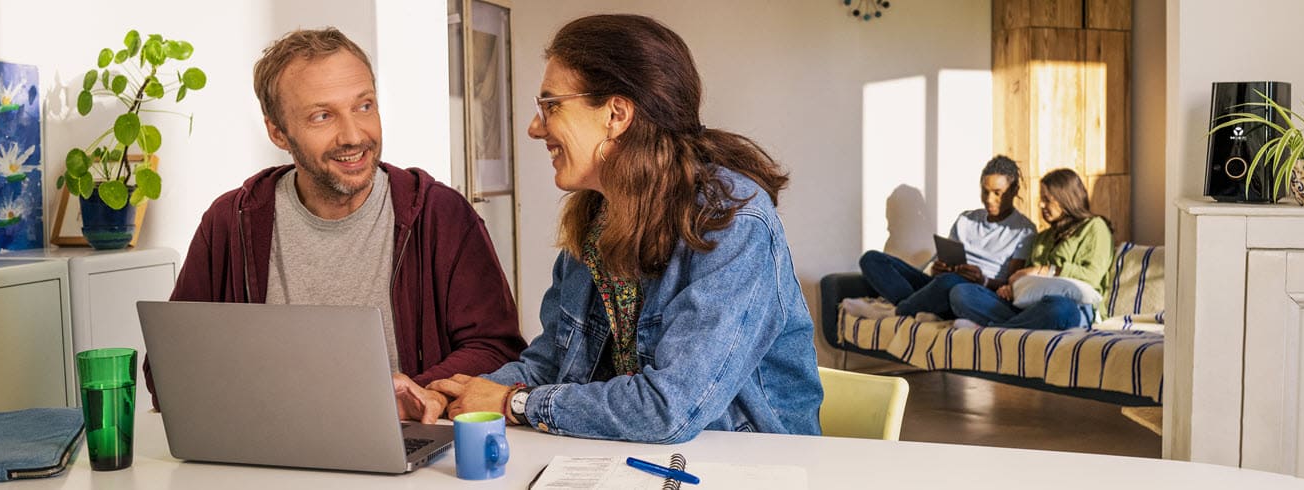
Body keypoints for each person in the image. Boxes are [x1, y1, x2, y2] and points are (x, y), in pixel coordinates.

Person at [429, 14, 822, 443]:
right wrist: (451, 395)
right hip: (633, 459)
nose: (534, 127)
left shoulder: (732, 224)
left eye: (551, 105)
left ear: (616, 114)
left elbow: (667, 409)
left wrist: (514, 403)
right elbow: (548, 363)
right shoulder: (597, 220)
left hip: (753, 461)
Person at [144, 28, 526, 421]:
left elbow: (496, 348)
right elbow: (170, 368)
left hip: (408, 442)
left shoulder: (440, 213)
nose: (353, 135)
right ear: (277, 131)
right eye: (322, 116)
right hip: (270, 448)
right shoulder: (230, 222)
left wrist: (412, 394)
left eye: (364, 106)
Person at [858, 156, 1036, 319]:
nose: (989, 199)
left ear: (1014, 190)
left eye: (997, 193)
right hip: (942, 284)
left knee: (951, 282)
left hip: (977, 293)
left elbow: (1012, 284)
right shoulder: (966, 219)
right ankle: (918, 306)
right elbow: (947, 262)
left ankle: (899, 312)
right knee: (872, 259)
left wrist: (983, 280)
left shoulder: (1024, 230)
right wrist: (938, 269)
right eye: (985, 191)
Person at [949, 168, 1114, 330]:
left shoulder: (1094, 227)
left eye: (1047, 199)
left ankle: (994, 328)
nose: (1041, 204)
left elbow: (1092, 276)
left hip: (1076, 308)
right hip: (1028, 306)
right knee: (962, 293)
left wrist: (1043, 270)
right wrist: (1011, 288)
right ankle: (1011, 326)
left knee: (1060, 308)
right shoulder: (1042, 237)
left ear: (1066, 199)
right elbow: (1023, 277)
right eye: (1041, 199)